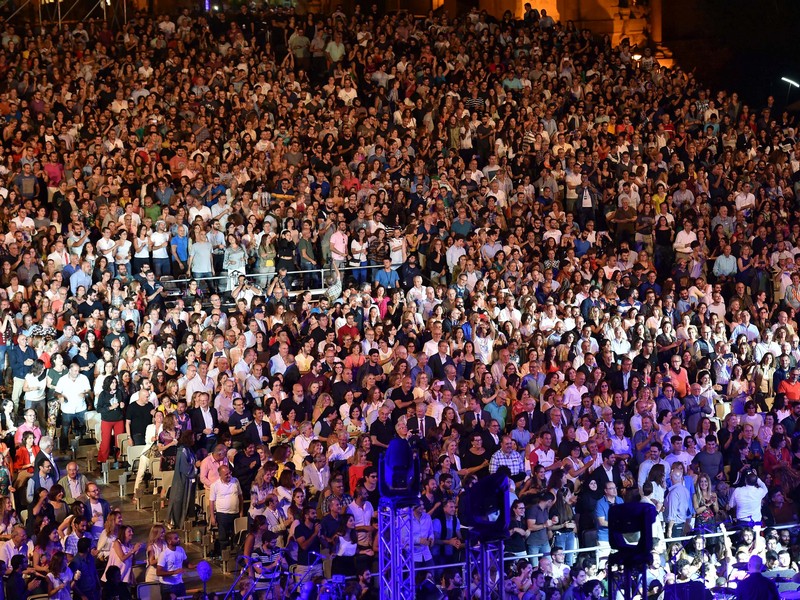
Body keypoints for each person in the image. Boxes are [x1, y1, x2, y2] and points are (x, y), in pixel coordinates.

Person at [166, 431, 198, 530]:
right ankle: (175, 521)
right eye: (192, 437)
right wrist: (196, 467)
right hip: (181, 480)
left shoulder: (189, 449)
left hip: (188, 481)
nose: (194, 439)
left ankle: (185, 521)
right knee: (178, 500)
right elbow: (185, 468)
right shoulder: (182, 450)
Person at [209, 464, 243, 554]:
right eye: (226, 474)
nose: (229, 476)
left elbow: (240, 497)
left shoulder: (235, 481)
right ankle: (223, 555)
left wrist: (241, 511)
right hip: (222, 514)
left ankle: (234, 554)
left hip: (235, 513)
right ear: (220, 475)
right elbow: (211, 501)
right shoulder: (215, 485)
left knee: (235, 535)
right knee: (223, 537)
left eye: (229, 473)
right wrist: (212, 516)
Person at [157, 531, 192, 599]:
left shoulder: (181, 550)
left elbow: (187, 564)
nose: (178, 539)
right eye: (176, 538)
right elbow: (158, 572)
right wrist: (174, 572)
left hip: (179, 583)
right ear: (169, 541)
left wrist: (197, 566)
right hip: (167, 585)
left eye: (178, 537)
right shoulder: (164, 554)